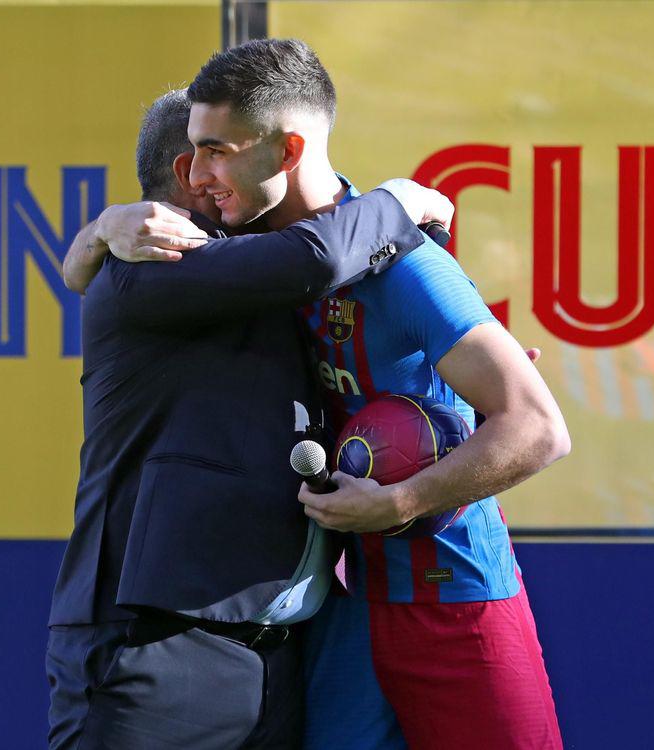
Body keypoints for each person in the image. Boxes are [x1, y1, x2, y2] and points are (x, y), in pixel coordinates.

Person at [178, 40, 571, 749]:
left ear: (290, 150)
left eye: (217, 151)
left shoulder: (407, 269)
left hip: (456, 594)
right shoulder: (252, 263)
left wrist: (401, 502)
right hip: (343, 607)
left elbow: (539, 426)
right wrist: (103, 233)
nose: (198, 177)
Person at [46, 86, 455, 749]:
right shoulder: (148, 264)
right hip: (153, 650)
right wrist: (399, 202)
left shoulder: (251, 272)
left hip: (271, 653)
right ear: (193, 174)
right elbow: (315, 255)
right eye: (237, 154)